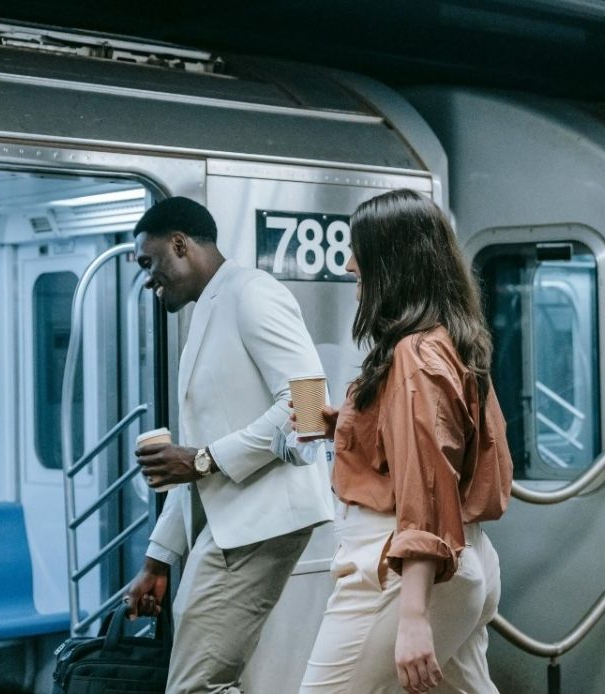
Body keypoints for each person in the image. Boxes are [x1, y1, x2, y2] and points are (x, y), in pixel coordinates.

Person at [298, 189, 513, 693]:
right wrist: (348, 426)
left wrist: (414, 614)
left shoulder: (412, 357)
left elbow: (425, 486)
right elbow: (460, 453)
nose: (351, 264)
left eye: (360, 252)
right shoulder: (451, 339)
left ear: (391, 263)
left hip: (401, 568)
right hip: (466, 552)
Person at [123, 196, 335, 693]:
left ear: (180, 244)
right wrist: (159, 560)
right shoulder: (209, 308)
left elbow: (308, 403)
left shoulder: (252, 293)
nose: (148, 279)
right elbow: (199, 459)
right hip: (233, 523)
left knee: (197, 686)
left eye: (149, 262)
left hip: (261, 521)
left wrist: (200, 458)